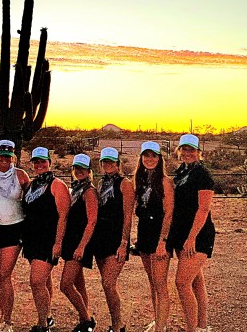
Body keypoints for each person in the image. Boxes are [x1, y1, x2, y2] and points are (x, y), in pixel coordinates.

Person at [167, 134, 215, 332]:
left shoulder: (202, 174)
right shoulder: (181, 172)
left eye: (191, 149)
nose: (187, 153)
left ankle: (191, 329)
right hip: (181, 233)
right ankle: (201, 326)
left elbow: (203, 209)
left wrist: (191, 238)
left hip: (197, 235)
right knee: (196, 281)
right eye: (184, 149)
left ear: (198, 152)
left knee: (182, 282)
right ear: (179, 151)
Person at [0, 140, 31, 332]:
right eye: (1, 155)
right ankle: (2, 316)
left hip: (14, 229)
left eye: (8, 155)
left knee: (4, 274)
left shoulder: (21, 175)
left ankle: (8, 320)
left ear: (13, 157)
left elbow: (31, 199)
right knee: (0, 277)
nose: (4, 159)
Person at [23, 146, 71, 332]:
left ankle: (43, 323)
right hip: (31, 239)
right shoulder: (31, 185)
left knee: (36, 281)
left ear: (49, 163)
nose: (39, 164)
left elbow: (63, 216)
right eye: (36, 161)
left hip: (48, 240)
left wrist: (58, 243)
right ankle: (48, 316)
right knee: (44, 281)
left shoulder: (57, 185)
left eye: (43, 161)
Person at [90, 147, 133, 332]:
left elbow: (128, 216)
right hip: (101, 238)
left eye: (111, 162)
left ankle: (118, 325)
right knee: (106, 285)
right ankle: (116, 323)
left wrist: (124, 243)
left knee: (109, 283)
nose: (108, 165)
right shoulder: (100, 184)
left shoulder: (125, 184)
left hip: (116, 239)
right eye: (104, 162)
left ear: (118, 164)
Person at [133, 142, 174, 332]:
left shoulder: (165, 181)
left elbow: (169, 213)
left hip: (159, 236)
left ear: (159, 159)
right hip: (144, 235)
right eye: (146, 155)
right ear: (141, 158)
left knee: (160, 283)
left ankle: (161, 327)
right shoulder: (140, 180)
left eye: (153, 156)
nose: (150, 159)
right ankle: (157, 320)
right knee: (152, 281)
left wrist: (163, 242)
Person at [60, 154, 98, 332]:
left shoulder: (89, 191)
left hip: (80, 243)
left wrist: (82, 247)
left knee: (65, 285)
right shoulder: (75, 189)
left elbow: (92, 221)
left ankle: (86, 320)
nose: (79, 171)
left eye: (83, 168)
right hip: (71, 241)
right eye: (76, 168)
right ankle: (86, 318)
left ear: (90, 171)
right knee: (78, 283)